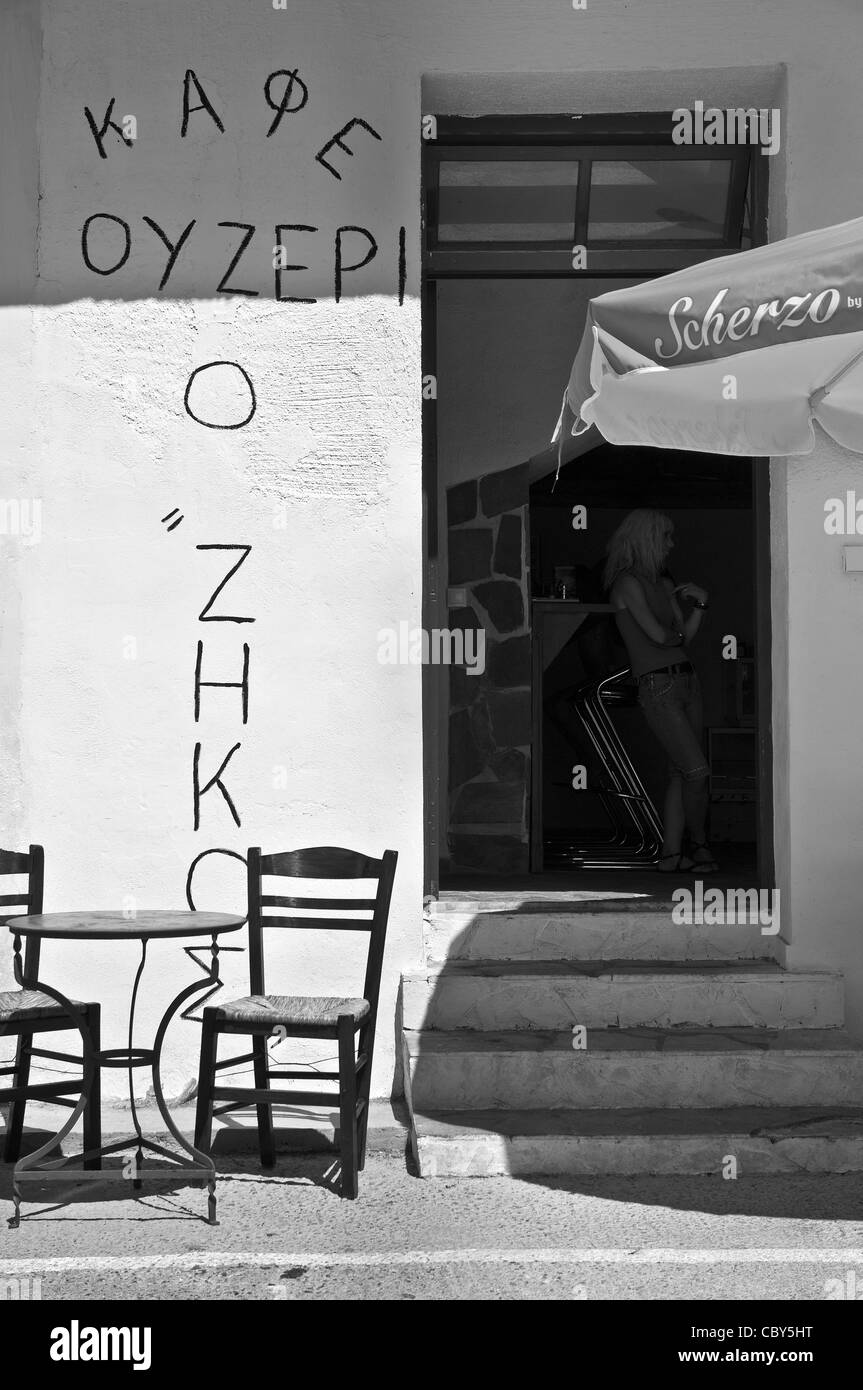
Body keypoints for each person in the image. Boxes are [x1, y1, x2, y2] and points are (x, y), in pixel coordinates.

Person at [604, 509, 718, 873]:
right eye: (666, 537)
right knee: (697, 772)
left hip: (686, 679)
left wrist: (701, 604)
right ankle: (699, 845)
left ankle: (671, 854)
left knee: (680, 772)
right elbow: (659, 635)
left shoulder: (663, 582)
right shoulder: (626, 582)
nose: (671, 545)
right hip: (657, 684)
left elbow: (683, 637)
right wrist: (676, 637)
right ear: (648, 539)